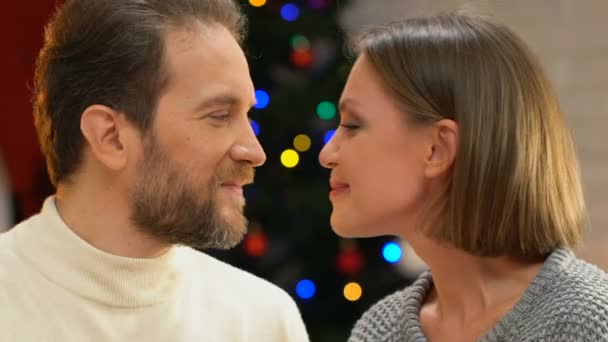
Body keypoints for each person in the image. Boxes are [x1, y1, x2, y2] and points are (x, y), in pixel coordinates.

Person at [0, 0, 309, 341]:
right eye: (219, 116)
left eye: (248, 115)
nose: (254, 151)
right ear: (110, 136)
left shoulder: (261, 320)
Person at [319, 13, 608, 342]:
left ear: (437, 148)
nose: (327, 154)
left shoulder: (589, 323)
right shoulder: (377, 331)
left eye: (353, 125)